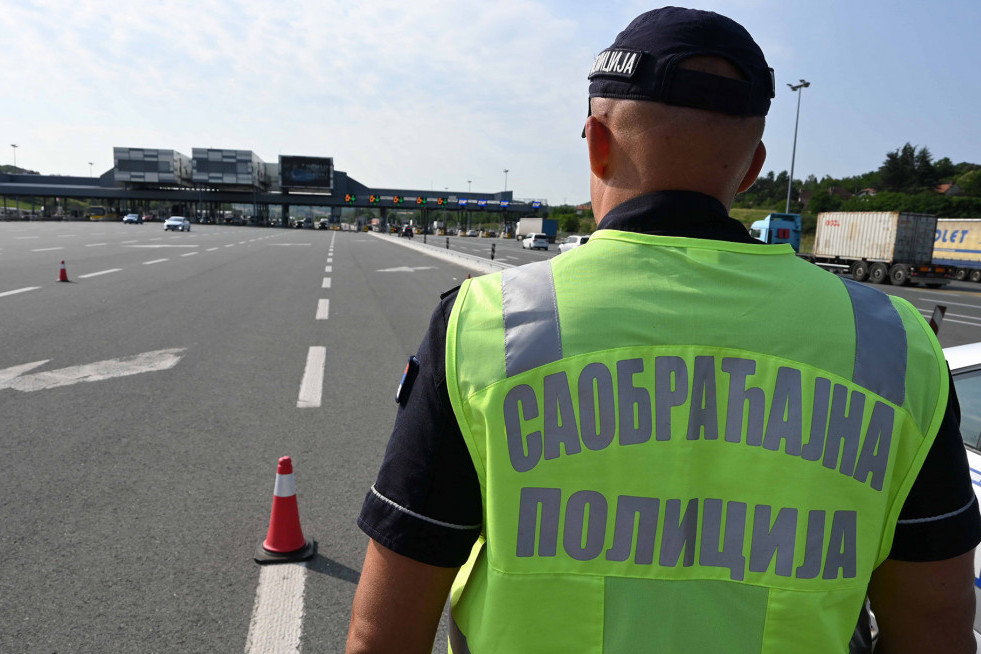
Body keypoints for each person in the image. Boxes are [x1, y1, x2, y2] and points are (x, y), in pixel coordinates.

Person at [347, 7, 980, 653]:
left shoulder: (484, 325)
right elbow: (933, 626)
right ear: (753, 165)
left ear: (596, 141)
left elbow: (386, 630)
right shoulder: (893, 343)